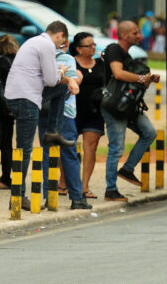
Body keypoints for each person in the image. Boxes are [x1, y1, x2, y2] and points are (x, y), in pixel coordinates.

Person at [4, 21, 79, 211]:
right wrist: (63, 72)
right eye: (61, 43)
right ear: (60, 35)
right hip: (26, 99)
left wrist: (65, 79)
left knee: (62, 90)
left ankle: (53, 131)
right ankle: (19, 197)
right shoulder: (47, 45)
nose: (60, 47)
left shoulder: (33, 41)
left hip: (16, 95)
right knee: (24, 150)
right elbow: (51, 79)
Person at [101, 20, 159, 202]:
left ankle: (127, 169)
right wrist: (142, 78)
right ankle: (111, 190)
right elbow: (118, 74)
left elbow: (134, 82)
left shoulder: (128, 55)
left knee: (149, 133)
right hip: (114, 106)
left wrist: (149, 79)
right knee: (116, 147)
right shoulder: (113, 49)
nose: (140, 36)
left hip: (129, 106)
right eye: (135, 33)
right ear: (124, 35)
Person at [37, 39, 93, 210]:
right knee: (69, 154)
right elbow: (73, 84)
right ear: (66, 42)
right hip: (65, 114)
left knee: (47, 154)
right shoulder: (68, 59)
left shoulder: (39, 58)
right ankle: (77, 198)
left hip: (43, 111)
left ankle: (49, 197)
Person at [71, 32, 105, 199]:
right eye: (88, 45)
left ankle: (84, 186)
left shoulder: (100, 63)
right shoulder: (71, 63)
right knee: (68, 147)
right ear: (78, 49)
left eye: (94, 44)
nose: (93, 48)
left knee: (90, 148)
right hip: (73, 111)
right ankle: (64, 183)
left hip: (95, 112)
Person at [0, 34, 19, 189]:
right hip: (12, 105)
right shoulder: (18, 62)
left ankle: (4, 177)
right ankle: (9, 176)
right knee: (8, 142)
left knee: (1, 143)